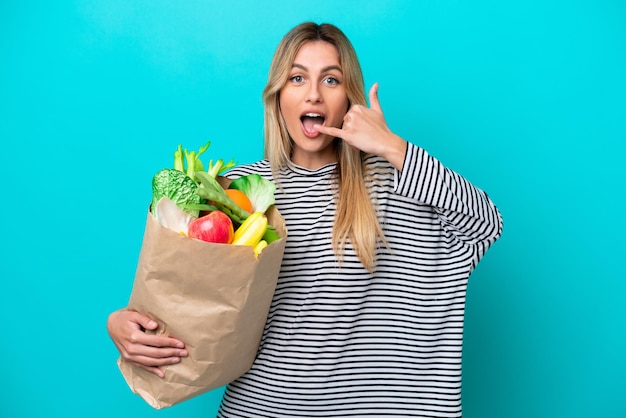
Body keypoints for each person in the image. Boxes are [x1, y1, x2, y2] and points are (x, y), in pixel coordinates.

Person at [108, 21, 503, 417]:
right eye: (297, 78)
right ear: (278, 95)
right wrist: (122, 322)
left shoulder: (398, 182)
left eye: (331, 80)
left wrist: (393, 148)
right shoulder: (236, 192)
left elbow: (485, 224)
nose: (313, 93)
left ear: (349, 98)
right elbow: (188, 296)